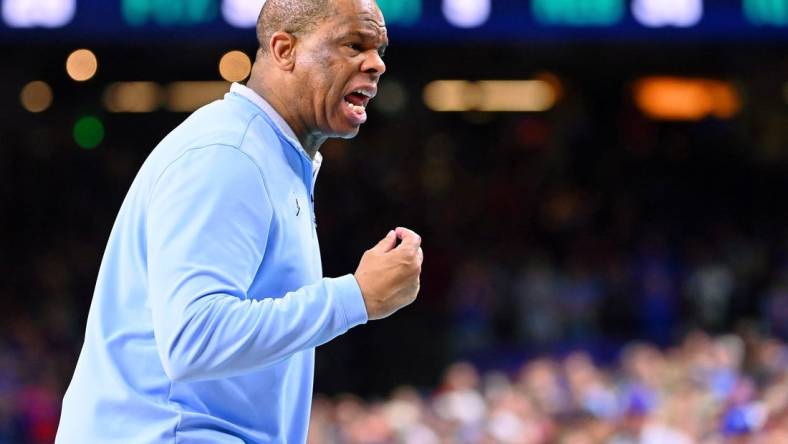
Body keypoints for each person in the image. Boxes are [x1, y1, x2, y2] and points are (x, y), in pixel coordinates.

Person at [55, 0, 423, 442]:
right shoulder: (229, 154)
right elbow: (194, 338)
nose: (377, 63)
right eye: (353, 45)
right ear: (284, 50)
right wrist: (355, 297)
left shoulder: (269, 154)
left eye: (379, 48)